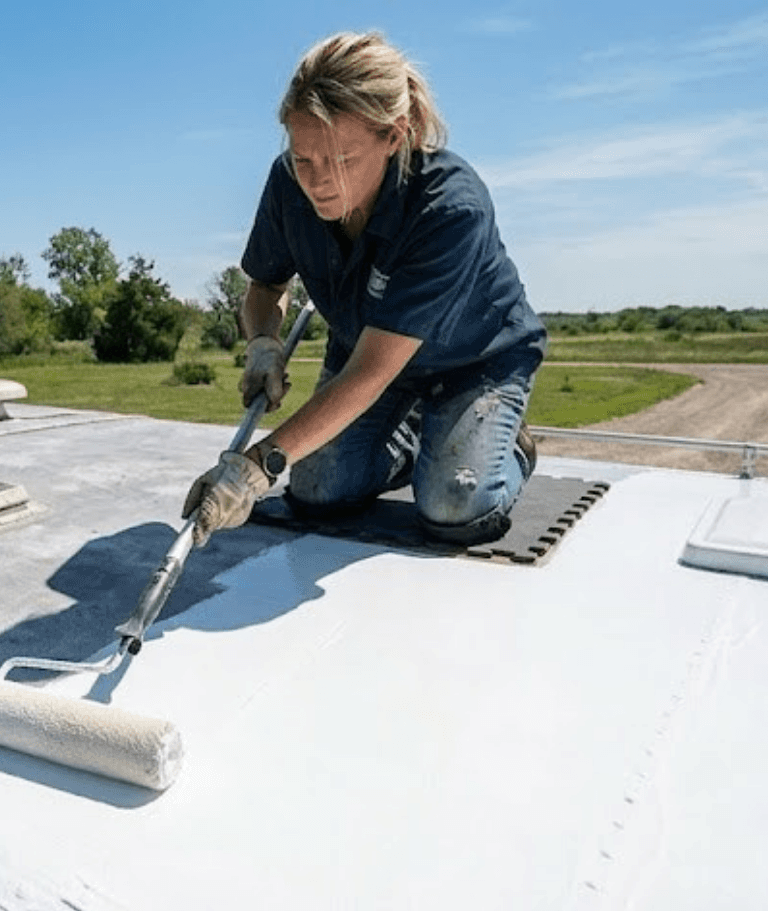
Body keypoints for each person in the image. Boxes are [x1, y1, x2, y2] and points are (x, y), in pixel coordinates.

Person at [185, 30, 545, 548]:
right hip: (367, 356)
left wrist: (254, 468)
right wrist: (263, 343)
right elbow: (266, 284)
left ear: (393, 136)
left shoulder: (450, 209)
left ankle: (507, 449)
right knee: (316, 490)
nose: (319, 181)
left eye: (343, 161)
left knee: (453, 506)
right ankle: (420, 442)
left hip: (474, 363)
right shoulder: (288, 181)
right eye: (304, 158)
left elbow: (372, 375)